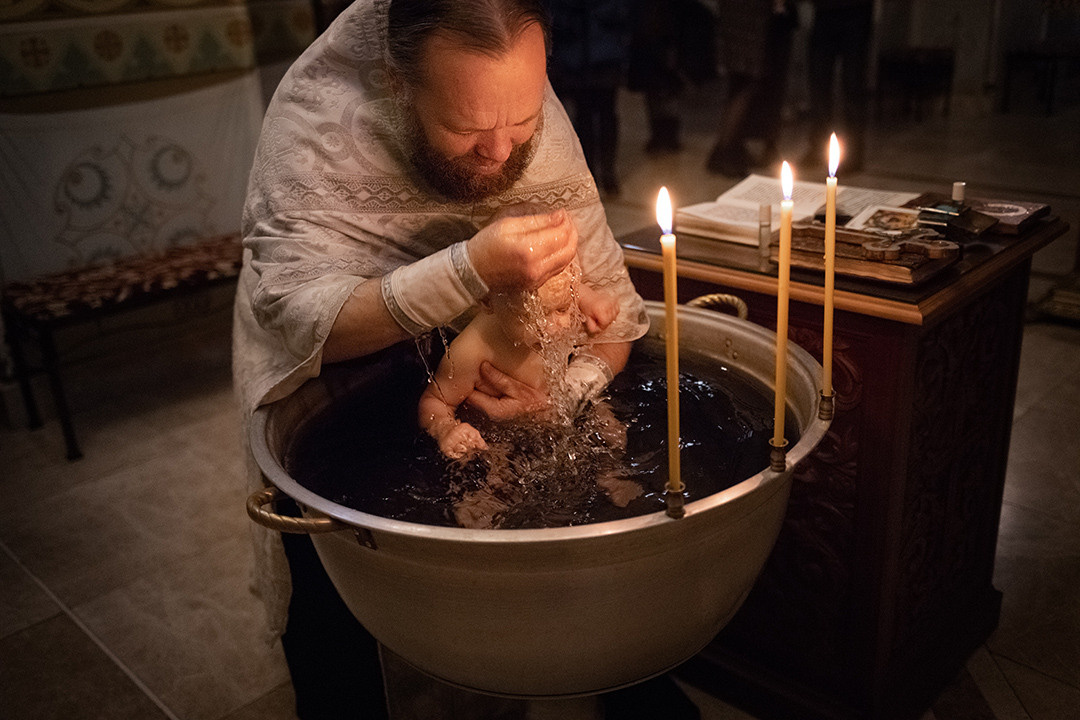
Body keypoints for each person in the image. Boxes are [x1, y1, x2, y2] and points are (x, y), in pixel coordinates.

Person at [232, 0, 702, 717]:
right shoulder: (321, 121)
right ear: (397, 85)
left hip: (499, 398)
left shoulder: (516, 100)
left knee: (580, 530)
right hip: (337, 387)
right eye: (467, 128)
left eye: (523, 122)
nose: (503, 153)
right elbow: (297, 317)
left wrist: (570, 389)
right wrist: (470, 271)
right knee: (338, 628)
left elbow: (616, 316)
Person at [419, 260, 618, 459]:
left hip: (554, 406)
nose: (550, 328)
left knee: (614, 438)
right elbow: (435, 401)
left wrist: (593, 301)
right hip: (496, 436)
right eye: (530, 314)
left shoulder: (556, 296)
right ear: (487, 300)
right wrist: (445, 429)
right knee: (491, 474)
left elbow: (564, 289)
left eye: (562, 309)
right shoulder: (470, 351)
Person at [546, 0, 631, 196]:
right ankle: (590, 171)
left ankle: (608, 171)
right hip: (577, 58)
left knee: (606, 115)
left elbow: (623, 13)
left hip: (603, 57)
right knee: (584, 117)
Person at [706, 0, 798, 177]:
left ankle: (730, 147)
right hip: (749, 20)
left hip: (743, 19)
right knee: (745, 83)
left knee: (743, 82)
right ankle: (724, 150)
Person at [800, 0, 873, 171]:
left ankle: (853, 152)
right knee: (819, 82)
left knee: (853, 84)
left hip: (856, 11)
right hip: (825, 13)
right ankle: (818, 146)